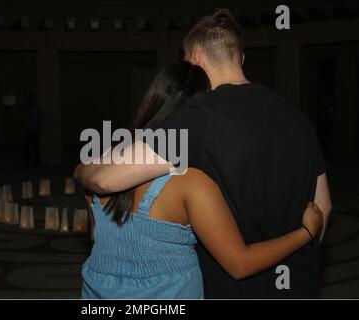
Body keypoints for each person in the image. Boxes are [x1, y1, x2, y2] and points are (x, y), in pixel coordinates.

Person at [75, 9, 332, 298]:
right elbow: (324, 206)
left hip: (232, 290)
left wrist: (82, 168)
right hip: (299, 283)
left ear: (195, 59)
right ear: (241, 58)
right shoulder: (298, 118)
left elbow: (106, 181)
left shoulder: (195, 120)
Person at [21, 94, 42, 168]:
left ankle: (36, 163)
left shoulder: (37, 109)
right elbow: (23, 119)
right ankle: (26, 163)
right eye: (30, 100)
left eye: (33, 100)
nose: (31, 101)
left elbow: (40, 119)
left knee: (35, 148)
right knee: (27, 148)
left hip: (34, 131)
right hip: (28, 131)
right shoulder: (26, 109)